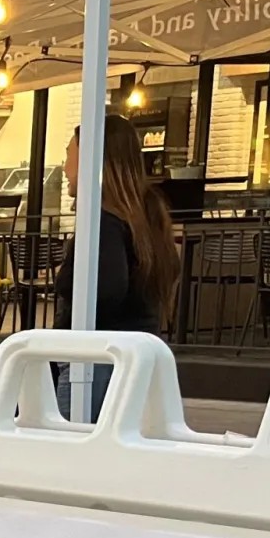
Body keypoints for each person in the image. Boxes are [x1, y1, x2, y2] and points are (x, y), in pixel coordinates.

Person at [53, 113, 177, 419]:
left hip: (94, 364)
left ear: (91, 159)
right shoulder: (146, 217)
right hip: (136, 361)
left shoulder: (104, 222)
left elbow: (106, 290)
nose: (66, 168)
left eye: (70, 155)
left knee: (73, 458)